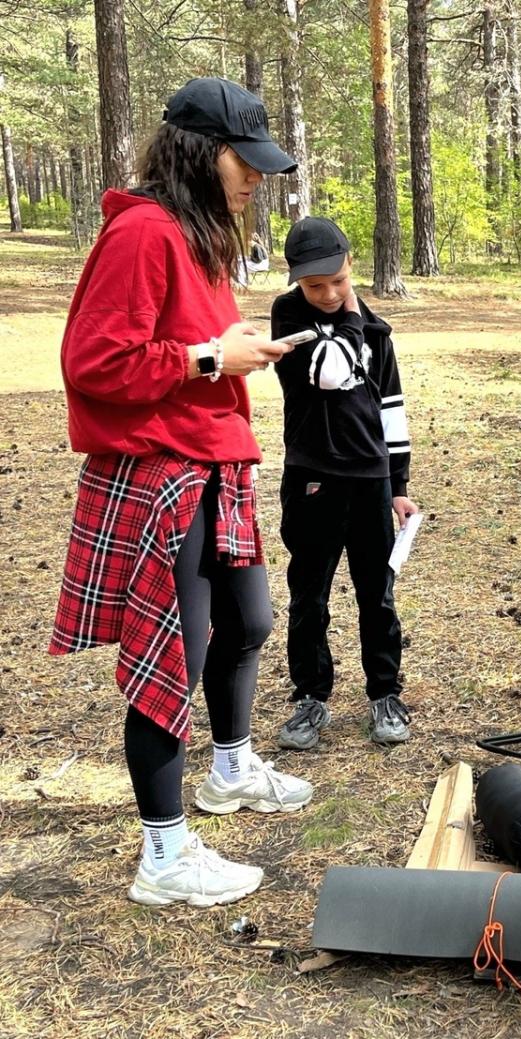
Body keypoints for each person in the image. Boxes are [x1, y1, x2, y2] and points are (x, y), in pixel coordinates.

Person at [49, 78, 314, 908]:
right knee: (173, 658)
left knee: (251, 622)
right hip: (161, 472)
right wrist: (208, 359)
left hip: (213, 460)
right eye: (247, 163)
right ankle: (162, 855)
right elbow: (94, 363)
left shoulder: (198, 237)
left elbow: (189, 341)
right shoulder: (142, 233)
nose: (256, 180)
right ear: (203, 152)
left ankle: (230, 769)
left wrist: (230, 348)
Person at [271, 216, 417, 751]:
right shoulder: (289, 319)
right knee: (309, 593)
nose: (329, 294)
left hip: (371, 481)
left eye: (337, 280)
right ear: (297, 284)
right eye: (315, 286)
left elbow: (391, 407)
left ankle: (384, 691)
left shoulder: (377, 331)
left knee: (376, 593)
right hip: (312, 480)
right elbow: (330, 372)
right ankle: (311, 696)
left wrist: (398, 483)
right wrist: (355, 318)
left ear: (350, 264)